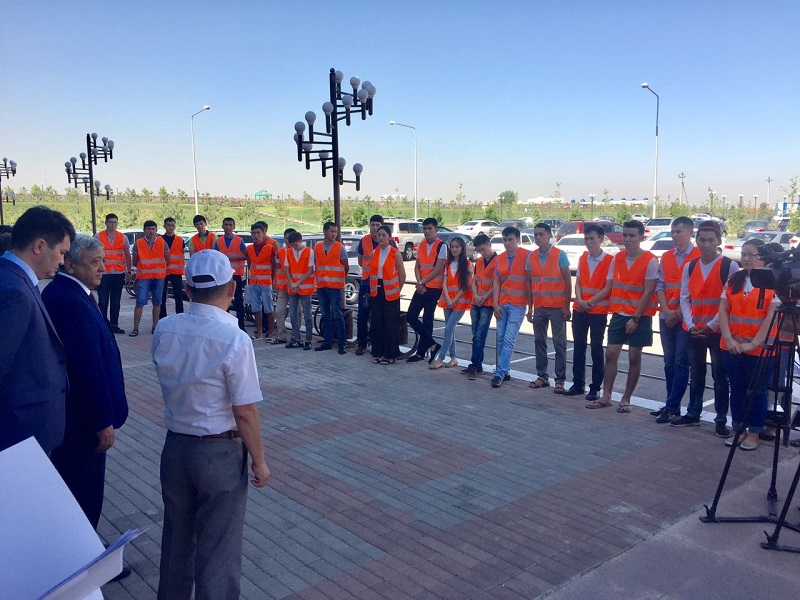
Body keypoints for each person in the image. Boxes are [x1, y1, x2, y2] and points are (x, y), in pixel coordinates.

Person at [152, 249, 270, 599]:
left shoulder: (164, 329)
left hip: (176, 446)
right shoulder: (234, 339)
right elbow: (244, 411)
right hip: (219, 452)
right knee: (219, 548)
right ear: (232, 288)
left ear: (187, 289)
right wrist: (260, 461)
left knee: (176, 540)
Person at [42, 235, 128, 530]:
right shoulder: (69, 301)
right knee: (83, 493)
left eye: (103, 260)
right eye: (95, 262)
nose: (103, 268)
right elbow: (86, 367)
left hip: (78, 419)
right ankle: (84, 550)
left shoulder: (74, 293)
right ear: (70, 264)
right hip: (82, 423)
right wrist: (102, 420)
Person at [0, 206, 74, 454]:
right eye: (61, 252)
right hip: (19, 436)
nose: (62, 261)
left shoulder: (14, 279)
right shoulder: (14, 292)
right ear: (40, 246)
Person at [671, 221, 737, 434]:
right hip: (694, 330)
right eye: (702, 240)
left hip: (717, 331)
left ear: (718, 241)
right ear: (697, 240)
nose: (706, 244)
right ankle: (693, 413)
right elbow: (685, 297)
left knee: (720, 376)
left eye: (711, 240)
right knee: (696, 373)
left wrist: (710, 325)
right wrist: (691, 325)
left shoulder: (729, 266)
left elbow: (729, 302)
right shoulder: (691, 266)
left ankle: (720, 420)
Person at [587, 220, 658, 412]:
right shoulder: (617, 258)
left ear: (642, 237)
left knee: (634, 357)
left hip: (639, 316)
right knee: (610, 354)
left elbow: (648, 292)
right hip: (619, 313)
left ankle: (626, 399)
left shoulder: (650, 260)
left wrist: (635, 318)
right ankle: (606, 396)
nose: (627, 239)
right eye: (625, 235)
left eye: (632, 235)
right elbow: (610, 284)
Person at [719, 239, 775, 451]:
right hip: (732, 347)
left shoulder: (772, 282)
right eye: (744, 254)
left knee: (757, 391)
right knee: (737, 389)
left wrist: (754, 343)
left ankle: (754, 431)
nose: (746, 258)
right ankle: (738, 428)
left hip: (759, 350)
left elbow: (771, 317)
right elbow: (723, 310)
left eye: (752, 254)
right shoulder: (735, 279)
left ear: (763, 257)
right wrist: (729, 339)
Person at [652, 217, 701, 423]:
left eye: (679, 231)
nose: (674, 235)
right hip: (667, 316)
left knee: (681, 362)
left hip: (685, 319)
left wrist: (679, 313)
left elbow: (696, 291)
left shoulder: (699, 257)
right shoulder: (667, 256)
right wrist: (666, 310)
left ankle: (672, 407)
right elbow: (660, 285)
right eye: (672, 232)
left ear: (690, 232)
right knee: (669, 363)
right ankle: (671, 404)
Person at [567, 224, 613, 400]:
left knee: (596, 349)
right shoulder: (583, 258)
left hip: (598, 311)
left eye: (592, 238)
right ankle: (578, 383)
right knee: (578, 347)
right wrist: (579, 300)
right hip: (580, 309)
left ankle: (595, 387)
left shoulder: (610, 260)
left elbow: (608, 287)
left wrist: (589, 302)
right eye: (586, 239)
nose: (588, 242)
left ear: (601, 239)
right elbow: (578, 282)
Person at [527, 223, 571, 393]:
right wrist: (530, 308)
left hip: (557, 307)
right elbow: (529, 283)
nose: (538, 237)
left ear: (549, 235)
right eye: (536, 234)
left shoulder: (560, 255)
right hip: (539, 306)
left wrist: (566, 306)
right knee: (539, 341)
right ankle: (542, 376)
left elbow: (568, 281)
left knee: (559, 343)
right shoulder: (532, 256)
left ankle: (560, 380)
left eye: (541, 234)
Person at [491, 227, 531, 388]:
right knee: (500, 338)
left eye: (510, 239)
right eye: (505, 240)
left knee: (509, 338)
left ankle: (499, 373)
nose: (507, 243)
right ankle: (504, 370)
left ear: (518, 240)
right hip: (502, 303)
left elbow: (531, 280)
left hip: (518, 305)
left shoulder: (527, 256)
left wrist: (531, 306)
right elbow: (496, 281)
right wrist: (495, 304)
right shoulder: (500, 258)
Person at [406, 218, 446, 363]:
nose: (427, 231)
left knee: (428, 319)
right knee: (410, 316)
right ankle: (432, 344)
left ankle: (421, 353)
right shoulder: (421, 244)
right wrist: (419, 282)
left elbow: (439, 268)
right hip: (422, 286)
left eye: (430, 228)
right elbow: (417, 266)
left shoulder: (442, 246)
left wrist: (423, 282)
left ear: (436, 230)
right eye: (424, 228)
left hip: (434, 287)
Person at [430, 236, 473, 369]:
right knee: (450, 329)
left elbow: (466, 285)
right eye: (452, 247)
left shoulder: (468, 264)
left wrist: (455, 299)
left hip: (460, 301)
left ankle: (441, 358)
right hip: (447, 300)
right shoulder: (448, 264)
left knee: (448, 328)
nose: (454, 249)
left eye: (457, 247)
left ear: (462, 248)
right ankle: (453, 357)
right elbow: (444, 282)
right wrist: (448, 298)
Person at [369, 225, 406, 364]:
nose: (380, 238)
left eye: (384, 235)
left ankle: (391, 355)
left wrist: (397, 290)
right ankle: (380, 353)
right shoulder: (374, 253)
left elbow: (402, 274)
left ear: (389, 237)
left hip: (391, 293)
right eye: (379, 235)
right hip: (376, 291)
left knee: (390, 324)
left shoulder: (395, 253)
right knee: (377, 323)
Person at [464, 233, 497, 380]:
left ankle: (474, 364)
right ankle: (478, 364)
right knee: (475, 334)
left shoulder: (498, 261)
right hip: (476, 301)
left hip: (487, 303)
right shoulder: (479, 262)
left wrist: (485, 297)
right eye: (479, 250)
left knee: (480, 335)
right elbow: (475, 280)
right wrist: (476, 296)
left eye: (483, 249)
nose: (481, 253)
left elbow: (496, 283)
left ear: (489, 245)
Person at [314, 221, 348, 354]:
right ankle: (327, 341)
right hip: (322, 286)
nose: (334, 234)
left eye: (336, 232)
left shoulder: (340, 247)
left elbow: (345, 266)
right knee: (325, 315)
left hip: (335, 287)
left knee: (337, 315)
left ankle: (341, 343)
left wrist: (338, 279)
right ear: (325, 232)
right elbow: (316, 263)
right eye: (332, 231)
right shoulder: (318, 247)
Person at [131, 220, 169, 336]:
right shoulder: (138, 243)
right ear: (144, 230)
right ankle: (135, 328)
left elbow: (167, 260)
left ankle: (154, 327)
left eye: (153, 229)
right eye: (148, 229)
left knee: (157, 302)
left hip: (158, 277)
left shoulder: (162, 243)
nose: (151, 231)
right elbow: (135, 261)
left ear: (156, 230)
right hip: (143, 277)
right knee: (140, 302)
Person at [95, 213, 131, 334]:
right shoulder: (98, 236)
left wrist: (129, 271)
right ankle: (102, 325)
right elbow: (93, 253)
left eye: (114, 222)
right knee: (103, 301)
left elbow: (127, 255)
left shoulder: (123, 237)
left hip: (118, 273)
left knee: (116, 301)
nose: (112, 224)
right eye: (110, 222)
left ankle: (114, 325)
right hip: (103, 273)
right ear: (106, 223)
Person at [356, 215, 385, 355]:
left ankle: (376, 345)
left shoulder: (388, 241)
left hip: (381, 284)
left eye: (377, 225)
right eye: (372, 225)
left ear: (382, 226)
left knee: (378, 316)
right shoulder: (364, 240)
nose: (374, 228)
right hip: (366, 283)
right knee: (362, 314)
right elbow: (360, 261)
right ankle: (361, 344)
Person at [245, 222, 279, 341]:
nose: (256, 235)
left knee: (268, 308)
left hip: (266, 283)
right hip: (254, 282)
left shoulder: (269, 248)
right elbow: (250, 263)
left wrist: (273, 279)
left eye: (258, 233)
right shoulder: (249, 248)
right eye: (253, 233)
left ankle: (271, 332)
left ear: (263, 233)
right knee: (256, 308)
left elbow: (274, 265)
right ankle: (259, 332)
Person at [284, 230, 315, 350]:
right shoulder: (288, 252)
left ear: (301, 241)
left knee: (307, 315)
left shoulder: (309, 251)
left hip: (305, 288)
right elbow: (286, 268)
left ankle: (308, 340)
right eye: (292, 245)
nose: (294, 247)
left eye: (296, 245)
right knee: (292, 315)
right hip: (293, 287)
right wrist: (292, 282)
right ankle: (297, 339)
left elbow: (310, 270)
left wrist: (297, 283)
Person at [215, 217, 247, 331]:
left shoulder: (239, 240)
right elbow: (215, 256)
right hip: (223, 275)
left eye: (230, 225)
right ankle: (225, 325)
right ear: (222, 226)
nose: (228, 227)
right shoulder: (218, 241)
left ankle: (241, 326)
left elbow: (246, 255)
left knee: (239, 301)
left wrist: (231, 257)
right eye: (226, 225)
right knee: (223, 300)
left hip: (236, 275)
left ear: (234, 227)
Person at [272, 228, 296, 345]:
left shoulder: (299, 252)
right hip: (282, 287)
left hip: (295, 287)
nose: (288, 241)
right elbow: (277, 267)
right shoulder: (280, 252)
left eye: (290, 238)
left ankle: (295, 336)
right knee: (279, 311)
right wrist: (275, 281)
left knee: (296, 312)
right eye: (286, 238)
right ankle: (282, 335)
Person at [159, 217, 185, 319]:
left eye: (172, 225)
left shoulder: (180, 240)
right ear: (164, 226)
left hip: (176, 272)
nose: (170, 227)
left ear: (175, 226)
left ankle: (180, 318)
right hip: (162, 271)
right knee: (162, 296)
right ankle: (162, 317)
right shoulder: (159, 240)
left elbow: (182, 254)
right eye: (168, 225)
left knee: (179, 296)